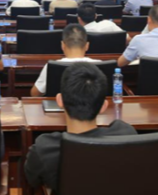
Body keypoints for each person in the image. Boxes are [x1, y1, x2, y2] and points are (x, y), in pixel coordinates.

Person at [25, 63, 136, 193]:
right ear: (104, 106)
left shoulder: (44, 149)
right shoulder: (127, 134)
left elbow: (32, 180)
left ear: (59, 101)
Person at [31, 24, 99, 97]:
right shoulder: (99, 65)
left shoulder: (50, 66)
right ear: (87, 45)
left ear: (62, 45)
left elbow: (35, 94)